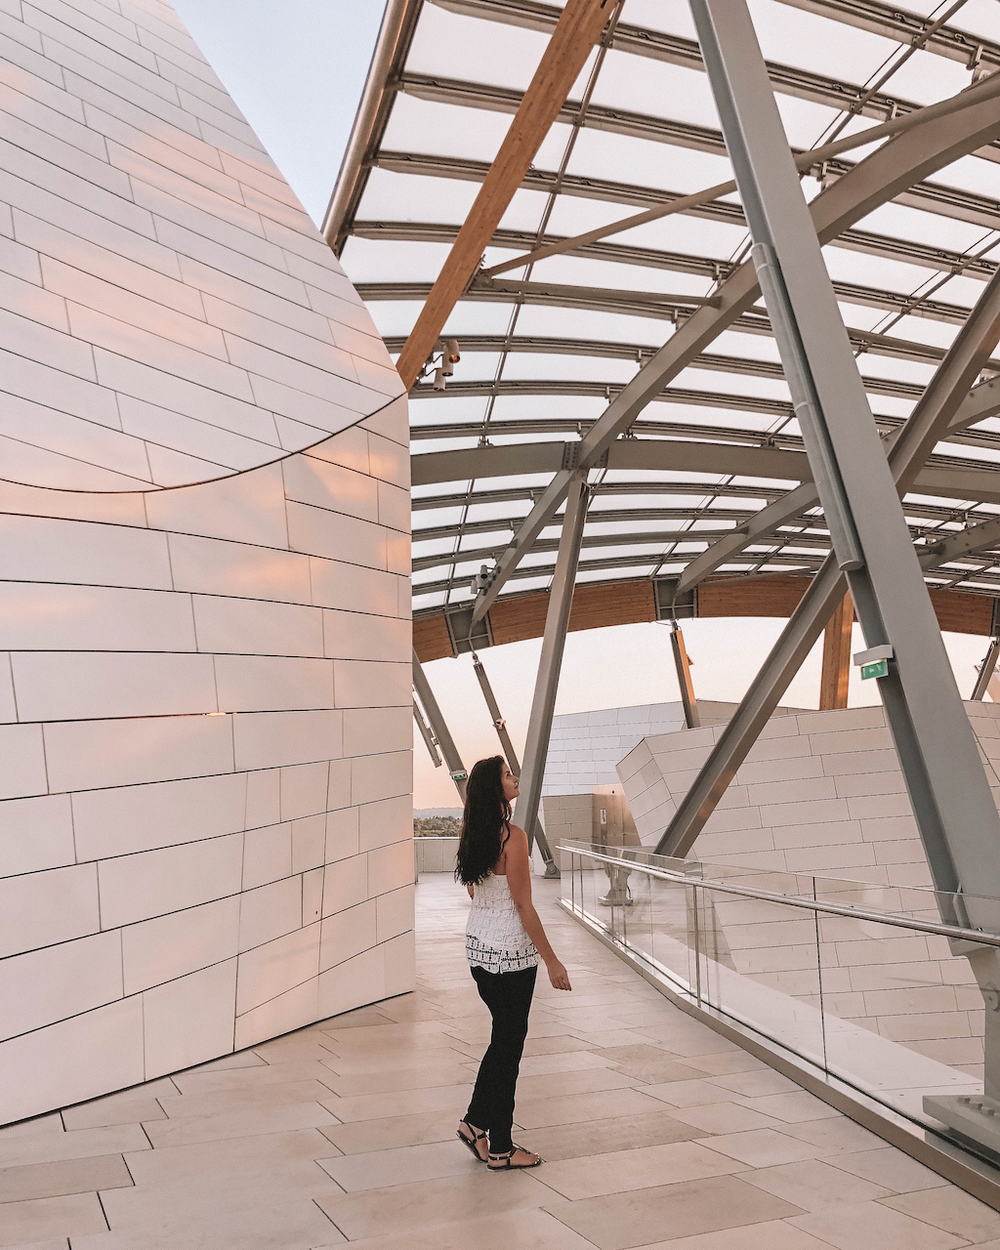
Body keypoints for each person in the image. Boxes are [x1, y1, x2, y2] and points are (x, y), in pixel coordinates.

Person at [454, 755, 572, 1170]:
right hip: (511, 959)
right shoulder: (513, 837)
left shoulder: (473, 833)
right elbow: (523, 906)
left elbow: (475, 893)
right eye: (507, 775)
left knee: (502, 1042)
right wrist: (553, 961)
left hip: (479, 952)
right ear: (494, 788)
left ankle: (474, 1124)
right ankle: (501, 1148)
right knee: (509, 1048)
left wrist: (492, 919)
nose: (515, 778)